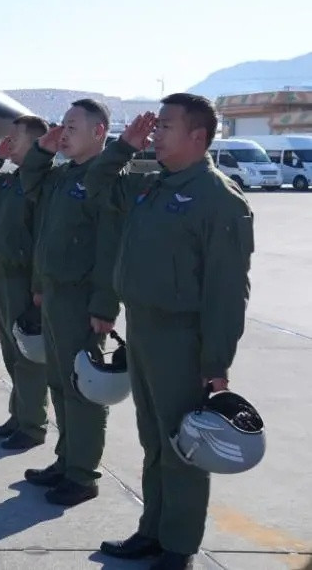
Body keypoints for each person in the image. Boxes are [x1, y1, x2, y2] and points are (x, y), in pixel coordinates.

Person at [84, 94, 253, 570]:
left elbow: (226, 291)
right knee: (154, 440)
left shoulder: (219, 199)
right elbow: (95, 184)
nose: (156, 133)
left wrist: (215, 364)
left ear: (197, 137)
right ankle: (153, 531)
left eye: (166, 126)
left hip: (184, 341)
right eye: (155, 125)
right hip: (143, 331)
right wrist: (123, 146)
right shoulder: (151, 184)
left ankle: (178, 548)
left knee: (184, 447)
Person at [18, 98, 122, 507]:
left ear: (99, 133)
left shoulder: (105, 179)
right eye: (61, 125)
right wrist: (44, 146)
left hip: (83, 301)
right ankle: (65, 460)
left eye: (72, 127)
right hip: (57, 295)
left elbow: (111, 248)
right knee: (59, 383)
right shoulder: (63, 177)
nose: (63, 133)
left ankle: (82, 475)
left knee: (84, 389)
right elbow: (29, 178)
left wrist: (104, 306)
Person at [0, 115, 51, 450]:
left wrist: (38, 286)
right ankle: (19, 415)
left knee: (28, 356)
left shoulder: (40, 183)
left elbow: (44, 238)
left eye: (14, 138)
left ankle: (32, 426)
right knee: (10, 351)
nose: (9, 142)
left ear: (34, 143)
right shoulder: (10, 181)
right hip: (2, 277)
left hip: (24, 281)